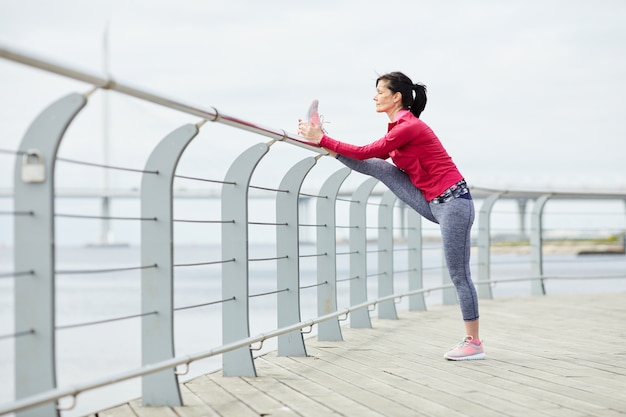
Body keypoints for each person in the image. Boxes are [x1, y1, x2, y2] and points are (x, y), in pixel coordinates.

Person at [297, 71, 485, 361]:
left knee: (459, 275)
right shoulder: (396, 128)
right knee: (380, 168)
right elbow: (372, 160)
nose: (374, 96)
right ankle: (319, 140)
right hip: (432, 201)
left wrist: (324, 138)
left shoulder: (409, 127)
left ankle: (473, 343)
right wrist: (324, 142)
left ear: (396, 97)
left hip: (454, 204)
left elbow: (366, 151)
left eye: (379, 91)